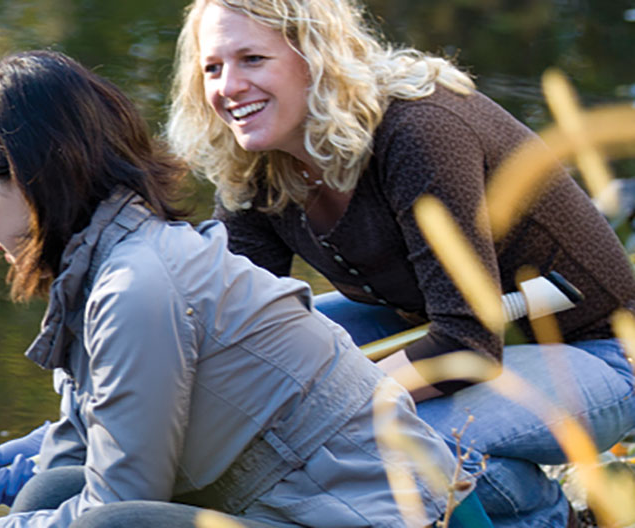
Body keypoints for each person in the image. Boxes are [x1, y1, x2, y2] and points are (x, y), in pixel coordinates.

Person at [0, 50, 475, 528]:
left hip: (377, 517)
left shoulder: (135, 287)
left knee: (115, 524)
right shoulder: (113, 264)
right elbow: (91, 448)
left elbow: (120, 500)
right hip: (298, 501)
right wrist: (35, 455)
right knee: (49, 488)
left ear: (31, 180)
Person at [164, 0, 635, 526]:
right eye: (212, 67)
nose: (228, 86)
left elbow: (467, 344)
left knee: (380, 446)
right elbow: (240, 329)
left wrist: (327, 401)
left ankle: (553, 518)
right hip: (435, 321)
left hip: (598, 352)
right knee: (282, 345)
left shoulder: (419, 130)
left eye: (252, 59)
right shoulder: (255, 161)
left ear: (316, 56)